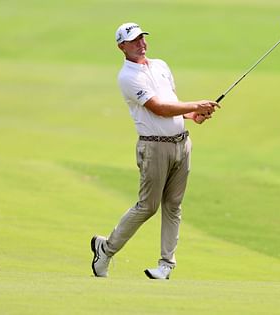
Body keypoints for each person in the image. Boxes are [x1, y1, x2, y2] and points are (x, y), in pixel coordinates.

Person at [91, 22, 219, 279]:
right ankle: (106, 249)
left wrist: (194, 114)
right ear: (122, 47)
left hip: (182, 143)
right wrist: (195, 103)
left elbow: (171, 102)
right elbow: (158, 108)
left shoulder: (161, 66)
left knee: (173, 206)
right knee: (147, 206)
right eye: (134, 40)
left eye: (142, 38)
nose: (141, 44)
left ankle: (166, 266)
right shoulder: (127, 77)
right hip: (154, 147)